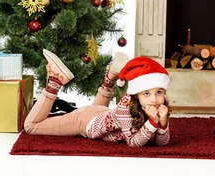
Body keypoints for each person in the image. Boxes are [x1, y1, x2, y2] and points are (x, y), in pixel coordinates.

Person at [25, 49, 171, 147]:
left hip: (100, 113)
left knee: (102, 116)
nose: (154, 100)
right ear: (136, 95)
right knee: (31, 127)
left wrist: (162, 123)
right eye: (146, 93)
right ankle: (55, 81)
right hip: (83, 121)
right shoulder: (125, 108)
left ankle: (110, 78)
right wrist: (153, 122)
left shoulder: (159, 105)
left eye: (159, 92)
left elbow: (161, 143)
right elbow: (133, 142)